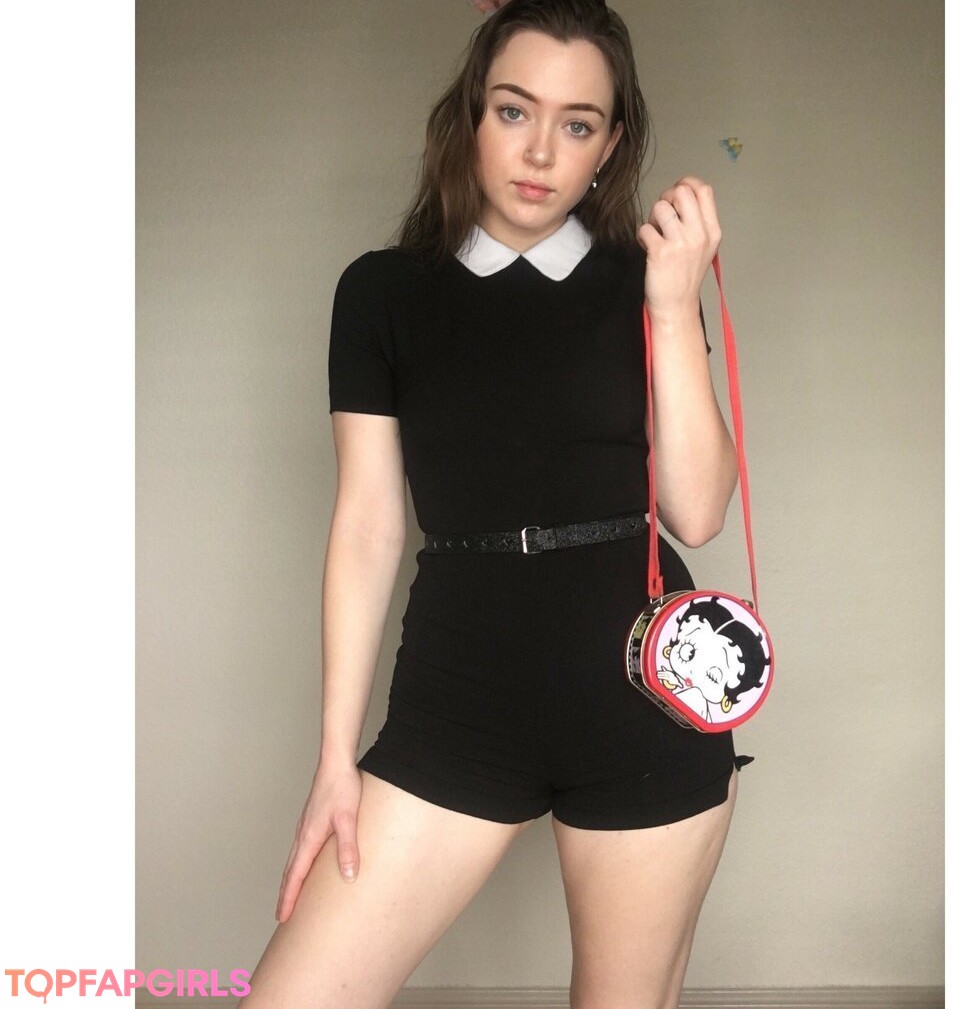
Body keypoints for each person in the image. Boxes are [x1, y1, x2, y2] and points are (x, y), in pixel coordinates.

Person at [238, 1, 752, 1006]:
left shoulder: (644, 283)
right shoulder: (382, 293)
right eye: (515, 110)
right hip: (457, 697)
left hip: (644, 699)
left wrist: (669, 303)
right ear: (470, 112)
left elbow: (697, 512)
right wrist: (336, 756)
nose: (541, 151)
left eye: (577, 123)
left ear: (611, 145)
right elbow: (369, 524)